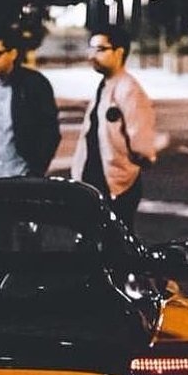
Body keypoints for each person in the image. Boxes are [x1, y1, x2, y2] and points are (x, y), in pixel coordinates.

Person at [70, 24, 157, 233]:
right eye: (91, 49)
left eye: (100, 49)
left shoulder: (129, 89)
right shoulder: (105, 85)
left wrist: (126, 167)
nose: (92, 55)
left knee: (115, 243)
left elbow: (141, 142)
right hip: (98, 183)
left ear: (119, 52)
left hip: (117, 186)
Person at [0, 26, 61, 179]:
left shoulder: (33, 84)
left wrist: (36, 169)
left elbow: (49, 130)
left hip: (21, 175)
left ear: (12, 54)